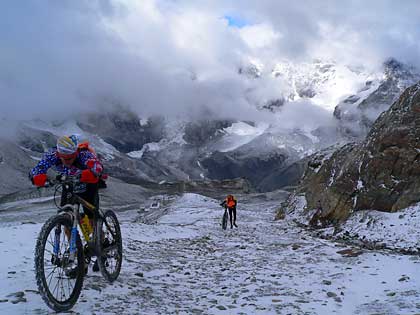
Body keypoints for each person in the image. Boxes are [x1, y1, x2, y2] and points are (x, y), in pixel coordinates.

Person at [29, 135, 104, 272]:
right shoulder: (53, 155)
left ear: (76, 153)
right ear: (58, 153)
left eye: (70, 158)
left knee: (93, 221)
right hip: (69, 186)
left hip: (88, 186)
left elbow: (97, 166)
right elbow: (38, 169)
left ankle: (101, 248)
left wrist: (93, 173)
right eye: (63, 157)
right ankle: (78, 255)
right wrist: (36, 177)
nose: (66, 161)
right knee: (67, 220)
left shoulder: (84, 154)